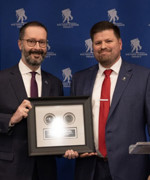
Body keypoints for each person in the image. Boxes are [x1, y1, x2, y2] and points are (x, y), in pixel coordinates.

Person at [64, 21, 150, 180]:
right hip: (89, 169)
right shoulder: (79, 79)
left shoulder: (144, 77)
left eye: (108, 41)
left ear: (120, 43)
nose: (103, 46)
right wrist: (70, 145)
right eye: (98, 43)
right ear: (92, 46)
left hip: (130, 170)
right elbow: (73, 124)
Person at [0, 21, 63, 180]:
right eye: (31, 41)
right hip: (10, 169)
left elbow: (60, 125)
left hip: (46, 170)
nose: (37, 47)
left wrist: (67, 146)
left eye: (42, 42)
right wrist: (11, 119)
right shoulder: (2, 80)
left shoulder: (55, 83)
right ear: (20, 44)